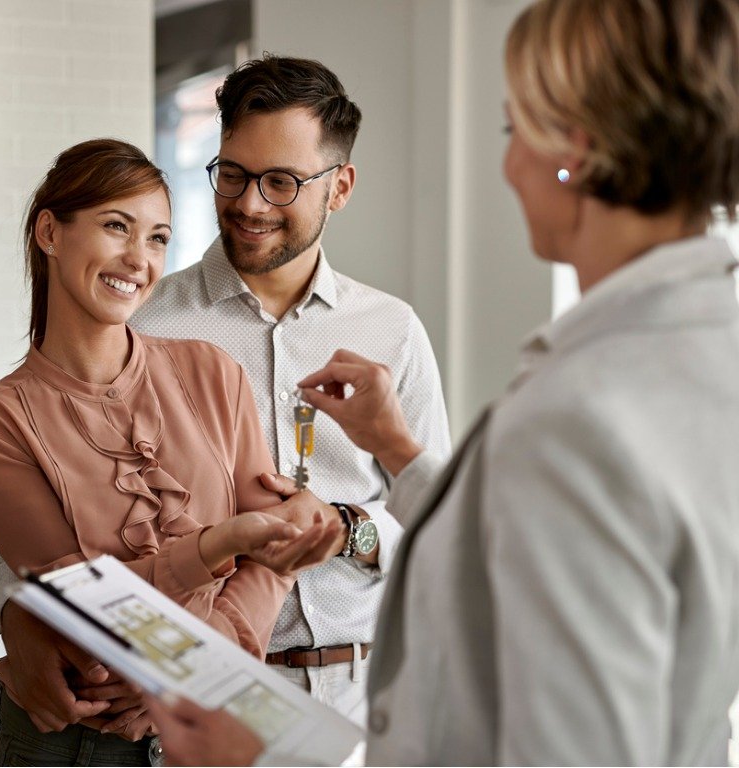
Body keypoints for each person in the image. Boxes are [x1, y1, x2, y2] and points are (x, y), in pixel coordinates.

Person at [146, 0, 739, 764]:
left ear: (579, 149)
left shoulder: (580, 409)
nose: (509, 164)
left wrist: (256, 757)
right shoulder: (696, 352)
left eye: (513, 128)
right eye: (234, 175)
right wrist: (397, 446)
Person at [0, 54, 452, 733]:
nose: (249, 204)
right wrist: (14, 616)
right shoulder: (142, 321)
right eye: (232, 174)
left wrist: (346, 528)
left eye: (281, 182)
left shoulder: (393, 331)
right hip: (182, 695)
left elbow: (434, 525)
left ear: (341, 186)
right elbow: (43, 524)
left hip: (359, 693)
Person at [0, 139, 339, 766]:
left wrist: (198, 670)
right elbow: (86, 609)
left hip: (211, 724)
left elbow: (274, 557)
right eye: (115, 227)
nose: (139, 258)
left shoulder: (213, 373)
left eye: (158, 238)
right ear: (51, 232)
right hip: (76, 749)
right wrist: (217, 545)